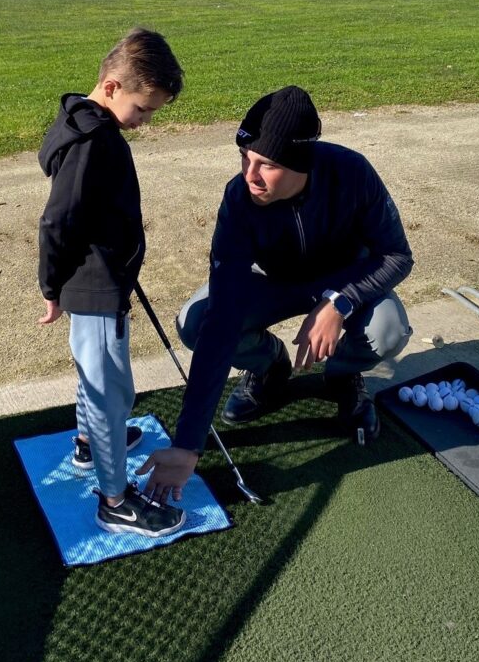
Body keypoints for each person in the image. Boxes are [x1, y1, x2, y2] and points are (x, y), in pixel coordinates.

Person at [138, 85, 414, 502]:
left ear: (299, 163)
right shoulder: (239, 196)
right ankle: (270, 368)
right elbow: (223, 317)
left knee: (389, 330)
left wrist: (340, 300)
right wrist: (188, 443)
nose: (249, 175)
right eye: (244, 159)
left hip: (342, 284)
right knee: (197, 323)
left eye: (265, 165)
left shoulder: (352, 172)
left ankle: (342, 376)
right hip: (272, 283)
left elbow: (397, 255)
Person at [38, 27, 187, 537]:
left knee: (99, 377)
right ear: (110, 88)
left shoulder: (83, 122)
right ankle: (115, 501)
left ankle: (87, 444)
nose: (144, 122)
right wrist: (51, 286)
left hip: (104, 280)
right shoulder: (91, 144)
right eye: (142, 110)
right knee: (111, 392)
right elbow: (59, 220)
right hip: (95, 287)